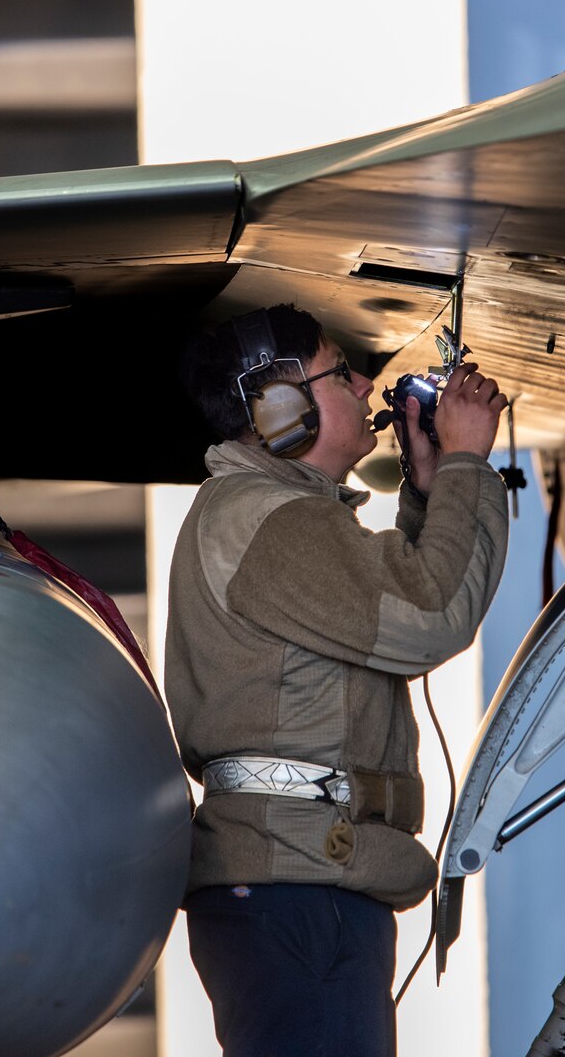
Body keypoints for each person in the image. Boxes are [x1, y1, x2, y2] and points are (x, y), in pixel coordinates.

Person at [166, 303, 512, 1057]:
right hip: (298, 890)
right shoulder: (271, 521)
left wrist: (426, 493)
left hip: (302, 878)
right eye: (340, 371)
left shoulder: (277, 516)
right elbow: (432, 612)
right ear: (278, 410)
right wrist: (463, 463)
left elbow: (394, 598)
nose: (364, 385)